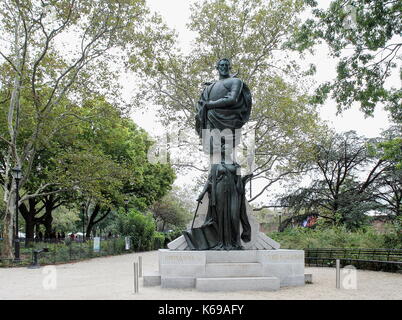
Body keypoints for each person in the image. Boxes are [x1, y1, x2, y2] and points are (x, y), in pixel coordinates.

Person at [187, 58, 252, 250]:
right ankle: (220, 237)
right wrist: (204, 107)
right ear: (217, 67)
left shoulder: (235, 82)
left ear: (229, 67)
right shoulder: (210, 86)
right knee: (215, 156)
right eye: (220, 65)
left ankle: (233, 239)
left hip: (227, 120)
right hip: (212, 122)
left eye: (226, 64)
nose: (223, 67)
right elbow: (201, 107)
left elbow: (232, 100)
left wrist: (210, 105)